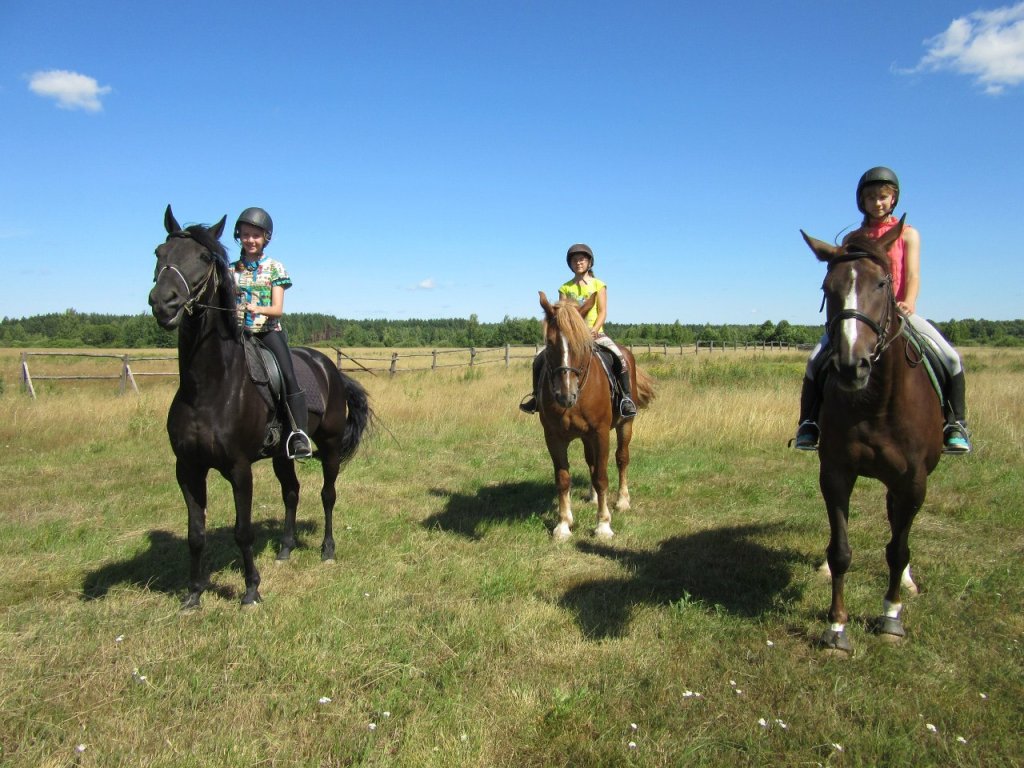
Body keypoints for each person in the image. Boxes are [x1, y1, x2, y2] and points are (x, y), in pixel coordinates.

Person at [794, 167, 971, 454]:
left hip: (900, 311)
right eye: (870, 198)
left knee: (950, 357)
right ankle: (809, 423)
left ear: (893, 199)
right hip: (864, 316)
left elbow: (912, 275)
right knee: (815, 360)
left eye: (883, 197)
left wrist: (909, 302)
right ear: (861, 202)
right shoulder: (854, 237)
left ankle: (955, 424)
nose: (877, 202)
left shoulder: (908, 234)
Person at [520, 243, 637, 418]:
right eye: (574, 260)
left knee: (620, 358)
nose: (578, 262)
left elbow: (603, 311)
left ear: (589, 262)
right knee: (538, 359)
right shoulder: (565, 288)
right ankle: (536, 398)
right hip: (571, 336)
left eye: (582, 259)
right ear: (570, 264)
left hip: (595, 333)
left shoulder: (599, 285)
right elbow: (561, 314)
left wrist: (594, 330)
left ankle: (625, 398)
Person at [232, 207, 312, 459]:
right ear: (239, 236)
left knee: (288, 375)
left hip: (267, 332)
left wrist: (257, 308)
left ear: (266, 237)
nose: (251, 240)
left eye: (256, 235)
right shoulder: (230, 270)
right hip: (237, 333)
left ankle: (299, 435)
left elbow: (277, 310)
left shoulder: (274, 268)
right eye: (246, 235)